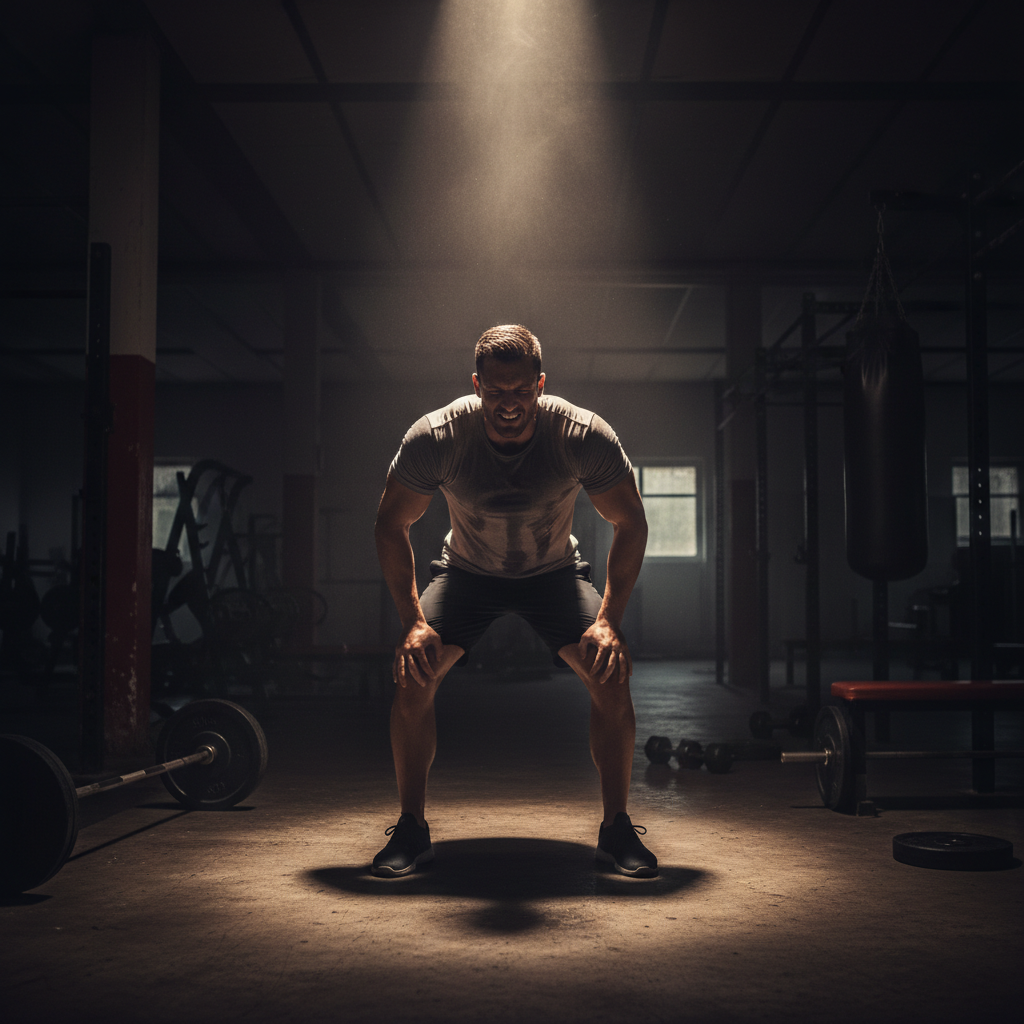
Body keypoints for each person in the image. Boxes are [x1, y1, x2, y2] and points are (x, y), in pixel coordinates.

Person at [371, 324, 655, 877]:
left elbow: (631, 522)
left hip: (552, 573)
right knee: (414, 671)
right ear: (477, 386)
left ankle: (617, 829)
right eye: (497, 393)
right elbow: (390, 524)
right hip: (467, 573)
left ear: (541, 384)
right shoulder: (438, 437)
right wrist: (411, 622)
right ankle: (411, 829)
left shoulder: (580, 434)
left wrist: (609, 622)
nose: (509, 405)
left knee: (610, 672)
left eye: (521, 392)